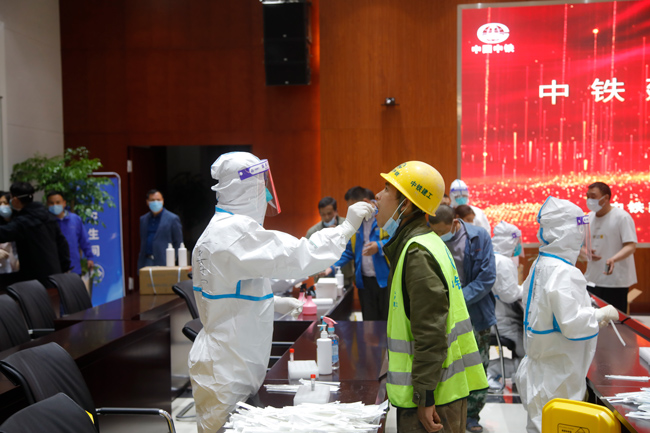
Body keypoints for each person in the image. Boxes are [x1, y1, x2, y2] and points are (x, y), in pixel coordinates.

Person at [189, 152, 375, 432]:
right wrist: (345, 228)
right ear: (246, 188)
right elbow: (300, 254)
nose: (265, 194)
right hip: (227, 369)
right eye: (260, 185)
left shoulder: (222, 230)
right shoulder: (233, 234)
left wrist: (272, 302)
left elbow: (227, 294)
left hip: (231, 360)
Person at [376, 161, 487, 433]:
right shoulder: (426, 242)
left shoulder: (417, 252)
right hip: (438, 390)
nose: (377, 195)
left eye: (387, 189)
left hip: (434, 398)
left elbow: (430, 332)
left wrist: (425, 396)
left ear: (406, 205)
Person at [514, 196, 618, 433]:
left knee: (539, 426)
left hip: (541, 371)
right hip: (558, 376)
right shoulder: (563, 272)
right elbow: (571, 323)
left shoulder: (541, 264)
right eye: (578, 228)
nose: (581, 234)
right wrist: (599, 315)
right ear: (566, 231)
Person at [429, 204, 495, 433]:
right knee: (448, 367)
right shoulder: (430, 240)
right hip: (444, 314)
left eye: (442, 231)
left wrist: (457, 299)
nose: (439, 236)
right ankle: (447, 414)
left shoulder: (478, 237)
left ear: (455, 223)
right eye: (435, 232)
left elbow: (487, 278)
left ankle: (472, 416)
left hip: (476, 312)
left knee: (477, 366)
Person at [325, 186, 391, 320]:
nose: (352, 212)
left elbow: (397, 238)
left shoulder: (385, 213)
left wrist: (378, 246)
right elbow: (349, 251)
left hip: (386, 279)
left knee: (386, 320)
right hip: (364, 282)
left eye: (353, 207)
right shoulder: (356, 222)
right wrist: (330, 267)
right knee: (369, 322)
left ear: (365, 202)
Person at [0, 182, 70, 286]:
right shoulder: (48, 216)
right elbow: (62, 244)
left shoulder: (23, 222)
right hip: (55, 276)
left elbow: (4, 233)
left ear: (15, 199)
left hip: (36, 280)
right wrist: (63, 268)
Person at [583, 182, 637, 312]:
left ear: (606, 198)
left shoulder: (622, 217)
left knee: (615, 318)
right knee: (592, 316)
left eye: (593, 196)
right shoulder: (587, 218)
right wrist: (585, 251)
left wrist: (613, 259)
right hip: (592, 279)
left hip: (616, 281)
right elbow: (579, 244)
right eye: (588, 196)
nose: (589, 200)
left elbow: (631, 246)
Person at [488, 221, 525, 387]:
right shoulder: (503, 262)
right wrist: (527, 290)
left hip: (494, 318)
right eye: (517, 242)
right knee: (529, 353)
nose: (518, 246)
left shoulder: (491, 257)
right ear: (510, 241)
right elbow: (509, 295)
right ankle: (492, 371)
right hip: (503, 323)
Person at [306, 196, 354, 286]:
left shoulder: (347, 226)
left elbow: (351, 251)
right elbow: (307, 257)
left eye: (329, 213)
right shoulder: (312, 232)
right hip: (322, 281)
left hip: (345, 278)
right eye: (323, 214)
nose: (327, 217)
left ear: (336, 211)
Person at [46, 191, 94, 275]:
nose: (55, 205)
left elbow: (84, 240)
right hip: (54, 270)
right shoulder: (45, 222)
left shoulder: (75, 219)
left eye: (58, 202)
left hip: (74, 268)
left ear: (64, 203)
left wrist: (89, 257)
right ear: (47, 204)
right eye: (51, 203)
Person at [137, 189, 183, 269]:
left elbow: (178, 241)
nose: (155, 202)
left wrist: (172, 259)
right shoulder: (143, 219)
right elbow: (143, 240)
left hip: (165, 261)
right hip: (147, 261)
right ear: (147, 202)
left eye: (158, 200)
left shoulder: (172, 219)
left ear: (163, 201)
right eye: (152, 200)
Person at [0, 192, 19, 275]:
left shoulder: (20, 223)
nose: (2, 206)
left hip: (18, 269)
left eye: (5, 203)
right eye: (0, 203)